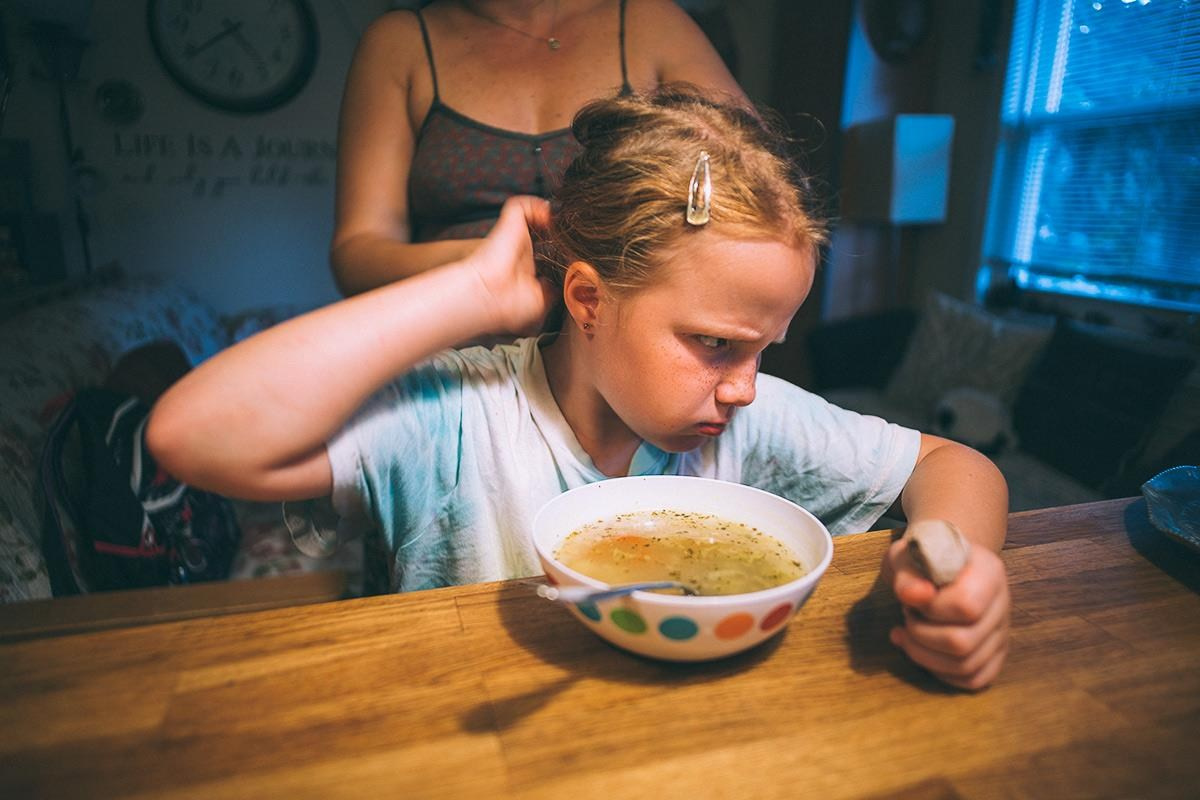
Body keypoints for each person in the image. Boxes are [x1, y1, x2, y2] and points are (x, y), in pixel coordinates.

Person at [148, 86, 1011, 690]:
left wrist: (953, 563)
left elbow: (956, 465)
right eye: (714, 344)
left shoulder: (744, 418)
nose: (745, 388)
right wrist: (470, 294)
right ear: (589, 300)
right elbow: (191, 436)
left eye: (766, 351)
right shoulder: (457, 420)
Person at [330, 0, 744, 301]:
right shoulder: (401, 42)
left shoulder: (651, 23)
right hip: (449, 348)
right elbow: (359, 253)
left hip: (613, 353)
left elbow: (753, 185)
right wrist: (490, 257)